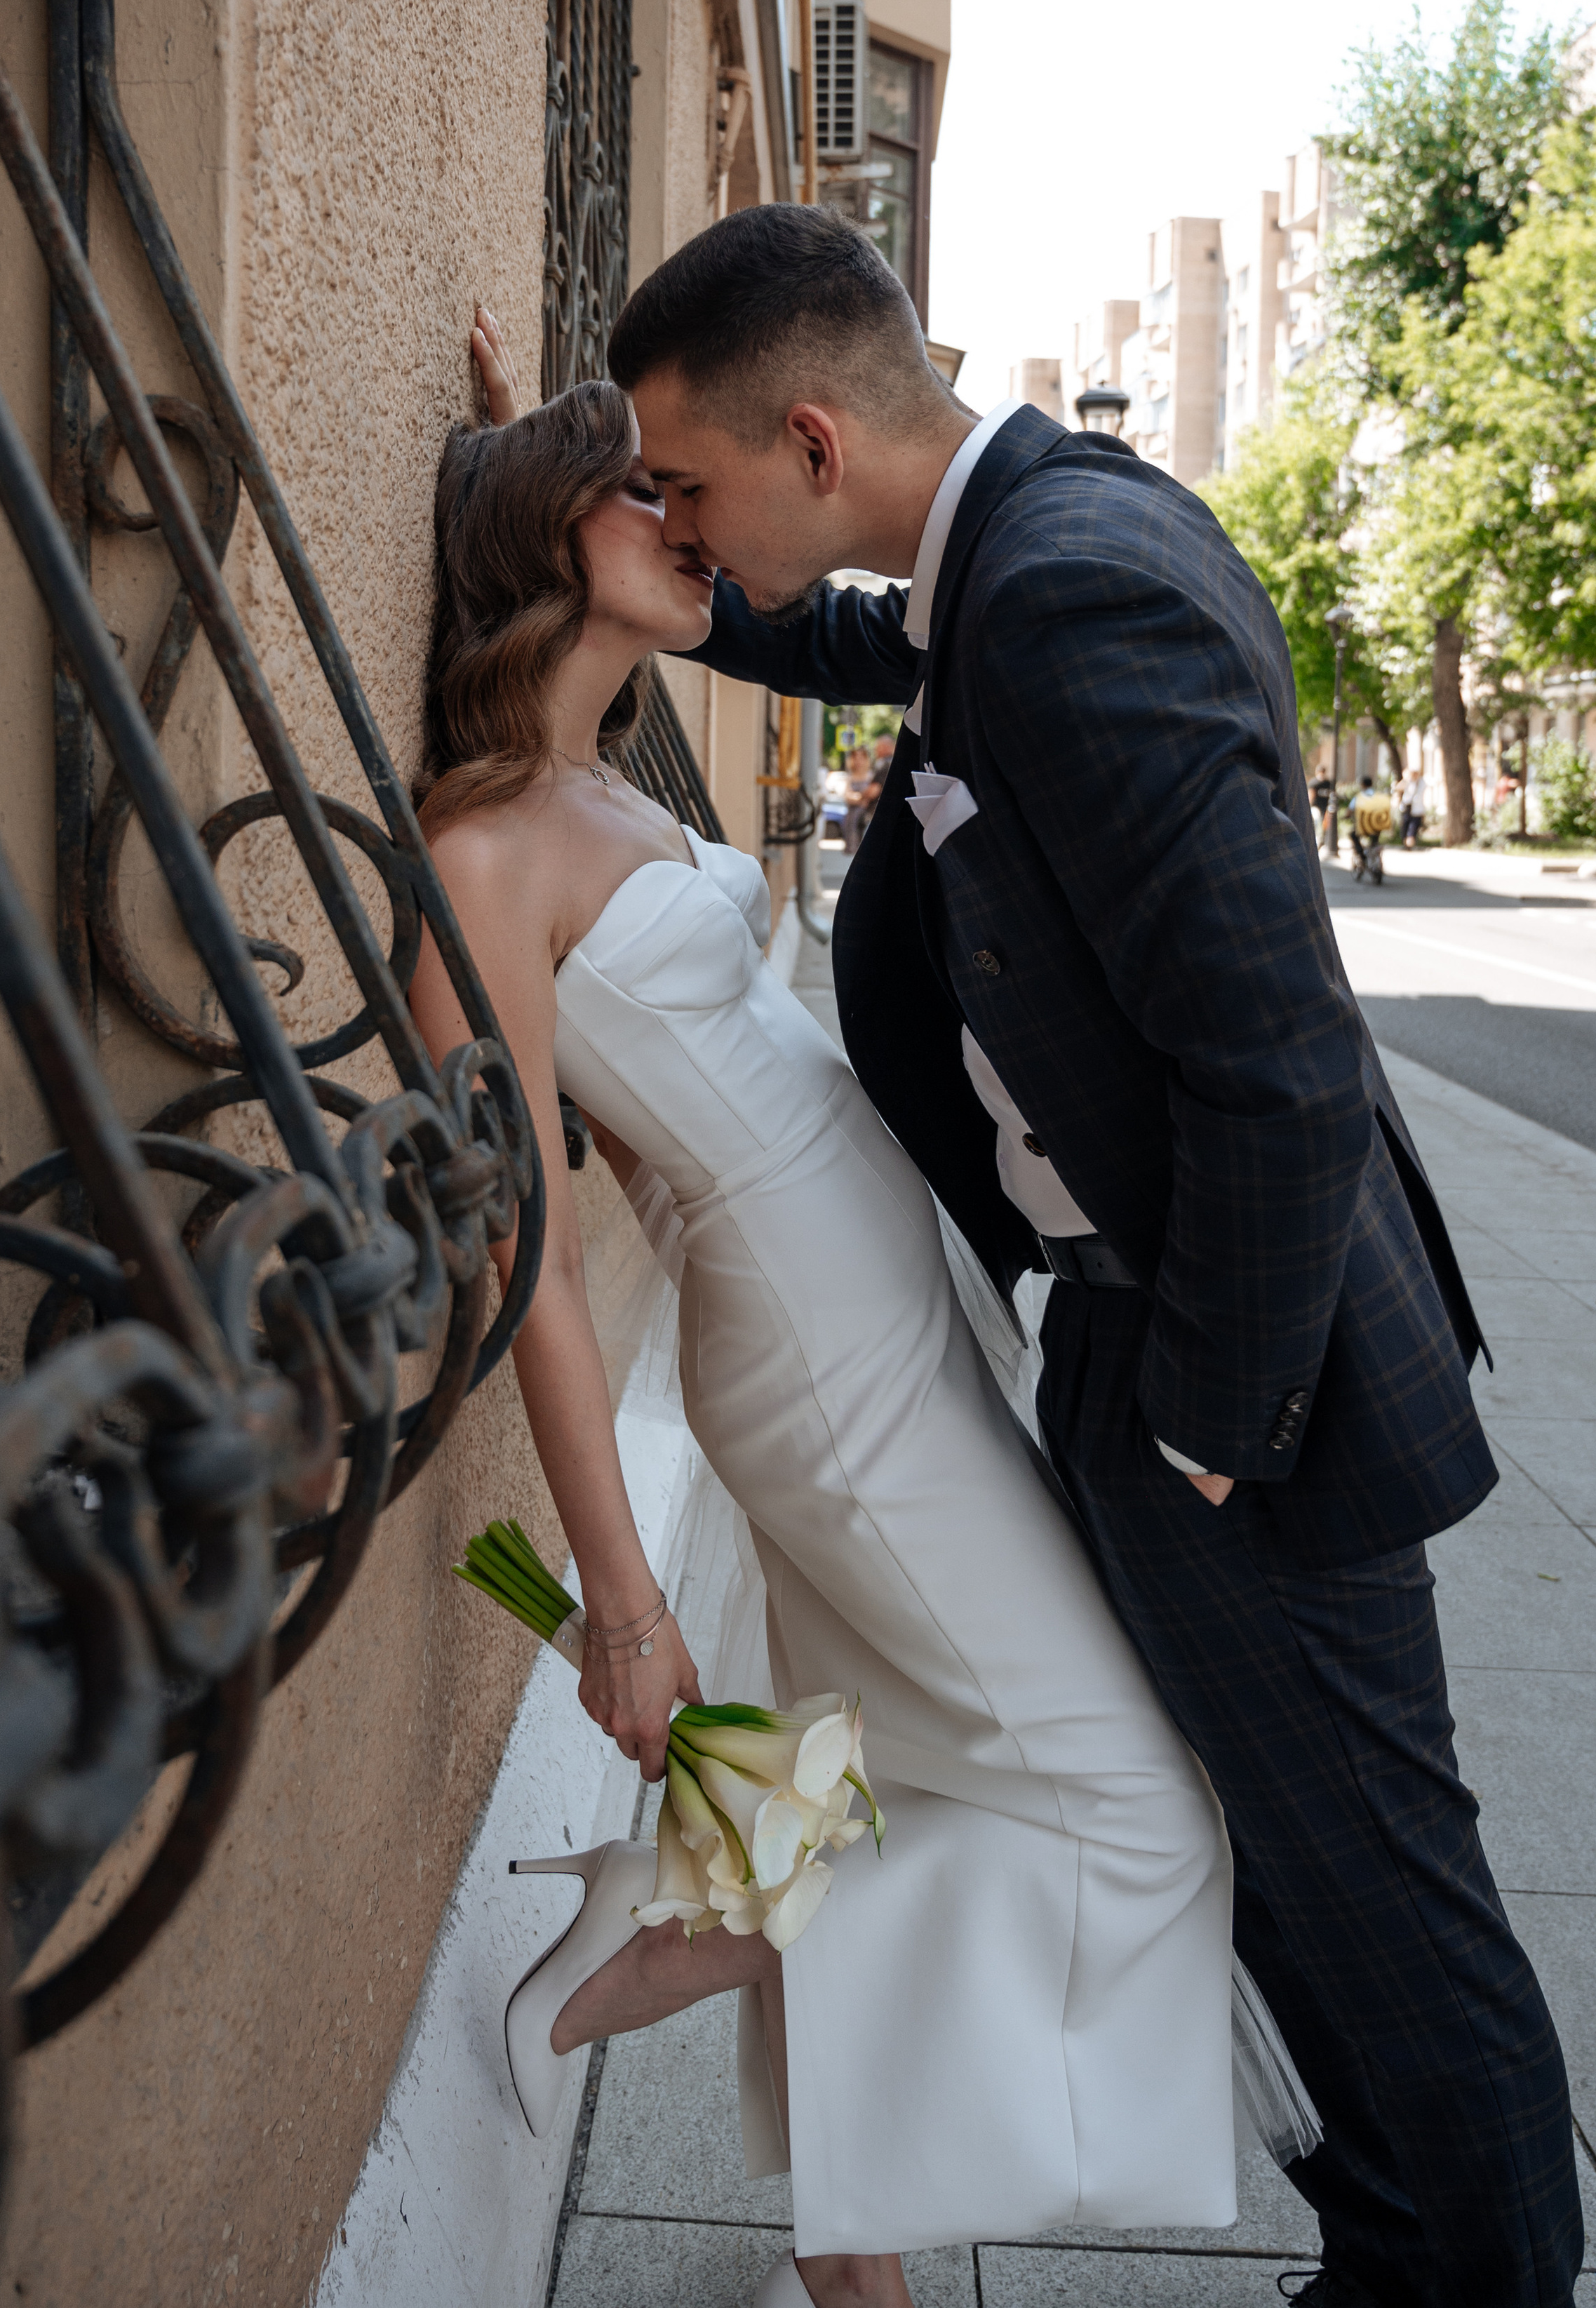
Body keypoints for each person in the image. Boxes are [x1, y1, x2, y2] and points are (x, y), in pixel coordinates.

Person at [596, 206, 1581, 2308]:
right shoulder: (1017, 540)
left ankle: (1461, 2267)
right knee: (1305, 1884)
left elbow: (1282, 1068)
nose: (676, 520)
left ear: (804, 436)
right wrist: (605, 534)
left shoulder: (1060, 596)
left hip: (1242, 1375)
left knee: (1368, 1895)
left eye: (687, 484)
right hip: (1154, 1338)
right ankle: (1401, 2245)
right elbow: (851, 645)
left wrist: (1208, 1426)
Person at [413, 339, 1287, 2308]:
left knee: (853, 1775)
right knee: (1126, 1806)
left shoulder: (606, 780)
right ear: (549, 532)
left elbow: (823, 647)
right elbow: (529, 1246)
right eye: (641, 486)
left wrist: (538, 431)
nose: (687, 514)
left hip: (878, 1305)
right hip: (820, 1359)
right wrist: (622, 1598)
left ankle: (849, 2259)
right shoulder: (480, 851)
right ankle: (656, 1943)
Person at [1399, 768, 1428, 847]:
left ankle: (1410, 844)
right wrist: (1406, 778)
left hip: (1417, 810)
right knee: (1405, 828)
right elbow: (1398, 787)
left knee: (1413, 829)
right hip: (1406, 808)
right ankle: (1406, 844)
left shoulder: (1422, 782)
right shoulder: (1408, 782)